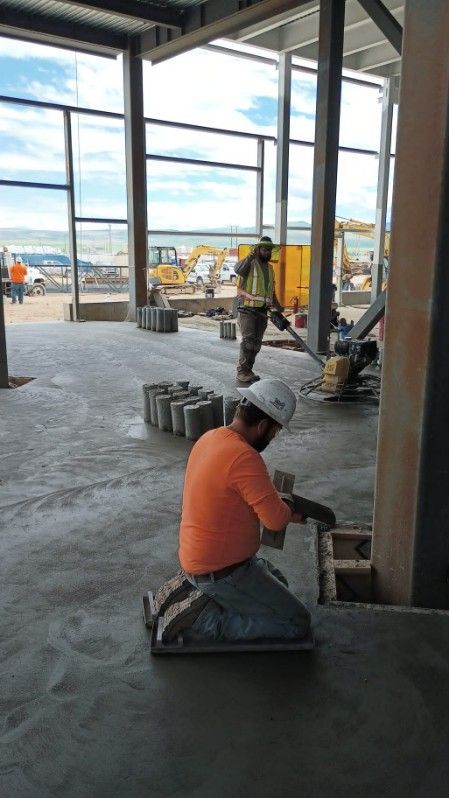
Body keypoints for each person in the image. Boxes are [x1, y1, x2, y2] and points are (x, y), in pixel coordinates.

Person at [175, 378, 311, 643]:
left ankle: (213, 602)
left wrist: (279, 506)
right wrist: (286, 509)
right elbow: (275, 522)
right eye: (274, 432)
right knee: (296, 622)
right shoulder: (244, 457)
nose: (272, 438)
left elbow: (242, 495)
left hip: (204, 560)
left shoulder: (210, 438)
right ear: (262, 426)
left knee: (280, 582)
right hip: (221, 572)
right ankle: (206, 623)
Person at [234, 236, 284, 384]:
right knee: (248, 342)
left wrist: (278, 305)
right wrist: (250, 256)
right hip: (247, 309)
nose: (267, 252)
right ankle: (242, 371)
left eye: (269, 250)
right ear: (258, 250)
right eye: (264, 249)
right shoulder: (250, 264)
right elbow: (237, 269)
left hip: (262, 311)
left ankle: (248, 370)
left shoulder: (270, 269)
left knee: (256, 344)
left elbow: (270, 291)